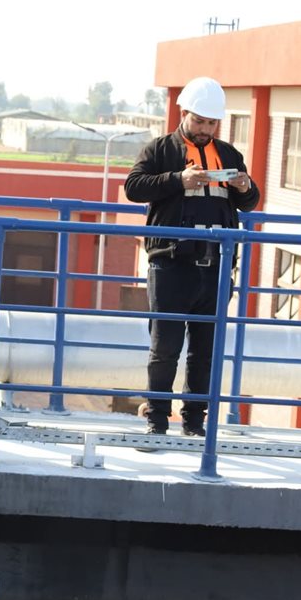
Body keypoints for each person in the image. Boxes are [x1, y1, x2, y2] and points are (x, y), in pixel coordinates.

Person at [124, 76, 260, 437]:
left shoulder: (228, 154)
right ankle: (157, 419)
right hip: (171, 264)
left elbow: (249, 202)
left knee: (205, 350)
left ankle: (195, 422)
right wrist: (178, 180)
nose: (205, 129)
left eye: (212, 123)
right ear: (184, 113)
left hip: (216, 265)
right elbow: (133, 187)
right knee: (165, 346)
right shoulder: (159, 150)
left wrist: (245, 186)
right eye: (199, 121)